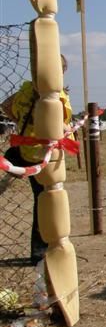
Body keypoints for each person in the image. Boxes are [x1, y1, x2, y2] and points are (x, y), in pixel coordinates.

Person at [0, 54, 73, 265]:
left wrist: (24, 122)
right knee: (48, 200)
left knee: (42, 198)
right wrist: (66, 128)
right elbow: (59, 126)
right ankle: (42, 249)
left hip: (26, 150)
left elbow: (6, 105)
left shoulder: (25, 92)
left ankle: (43, 247)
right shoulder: (56, 97)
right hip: (45, 155)